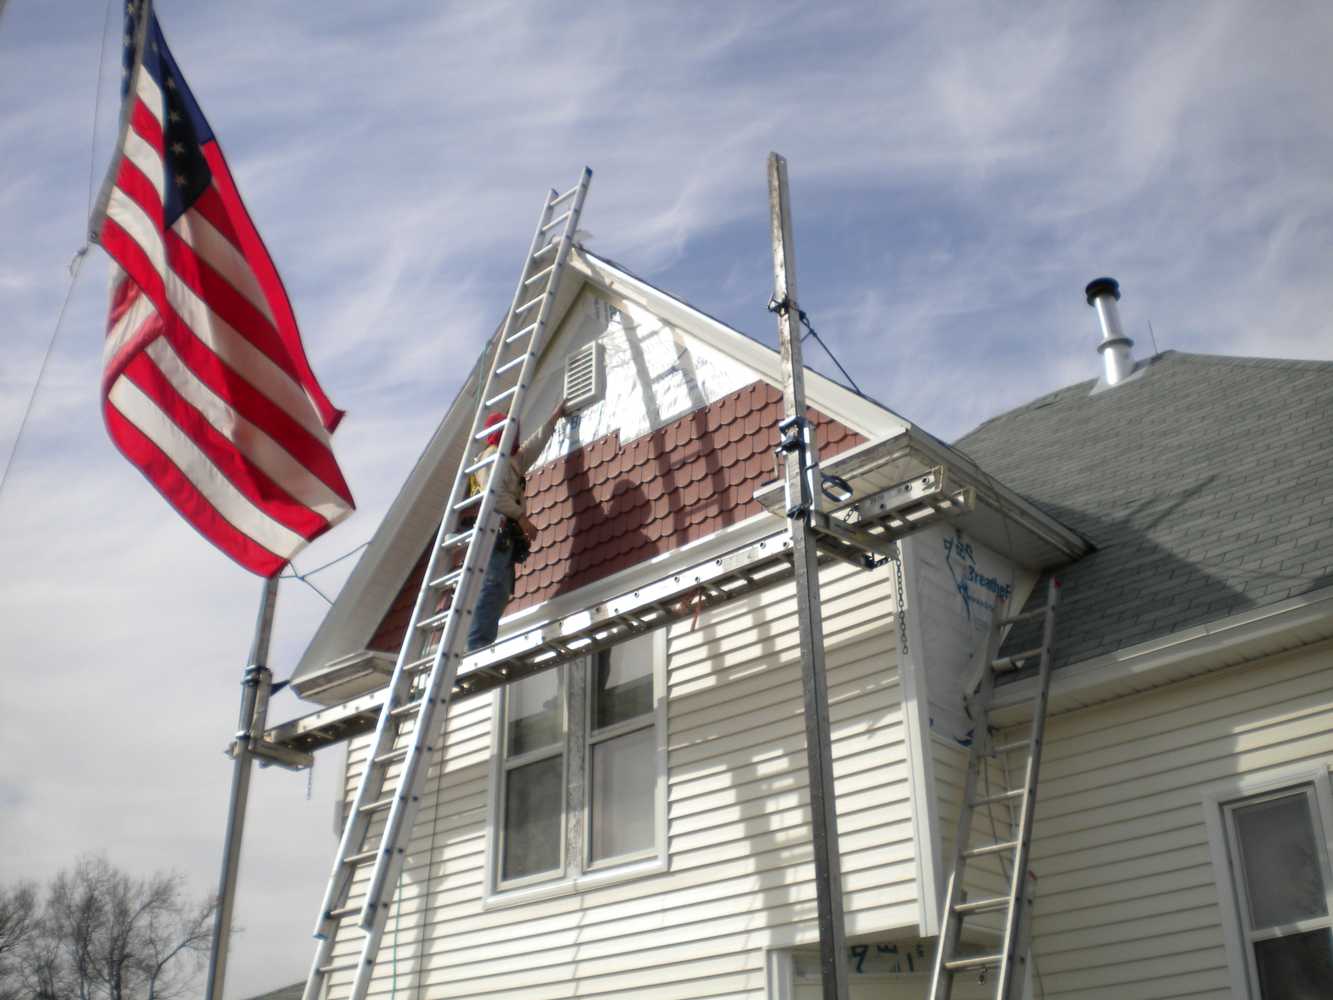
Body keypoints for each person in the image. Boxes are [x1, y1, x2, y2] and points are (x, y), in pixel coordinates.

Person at [466, 399, 566, 650]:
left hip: (502, 535)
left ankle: (482, 642)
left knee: (501, 590)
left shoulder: (511, 460)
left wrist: (552, 420)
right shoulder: (490, 458)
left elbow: (533, 446)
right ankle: (477, 644)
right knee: (493, 585)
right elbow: (494, 494)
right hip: (491, 531)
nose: (517, 439)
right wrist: (521, 518)